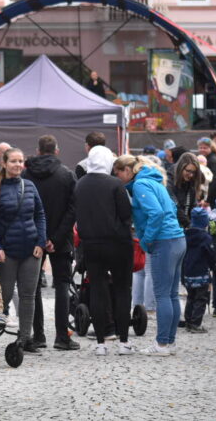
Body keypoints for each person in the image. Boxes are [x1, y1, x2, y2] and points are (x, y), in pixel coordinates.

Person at [114, 155, 185, 357]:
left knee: (162, 295)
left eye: (117, 173)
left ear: (128, 171)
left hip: (164, 241)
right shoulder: (155, 181)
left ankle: (161, 344)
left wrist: (146, 240)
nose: (116, 177)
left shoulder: (141, 185)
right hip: (177, 239)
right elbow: (170, 208)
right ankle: (169, 342)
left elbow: (157, 213)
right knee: (171, 294)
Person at [0, 148, 47, 353]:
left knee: (28, 296)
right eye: (14, 161)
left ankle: (25, 339)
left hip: (31, 250)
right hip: (7, 251)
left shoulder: (29, 186)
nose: (18, 165)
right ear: (4, 163)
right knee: (4, 296)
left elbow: (40, 214)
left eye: (21, 161)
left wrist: (41, 242)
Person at [75, 145, 135, 355]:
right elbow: (126, 214)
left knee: (98, 291)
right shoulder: (115, 184)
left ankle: (102, 342)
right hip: (118, 243)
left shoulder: (80, 185)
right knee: (122, 289)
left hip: (91, 244)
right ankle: (124, 340)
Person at [22, 135, 79, 351]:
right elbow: (73, 209)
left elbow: (26, 208)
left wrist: (41, 236)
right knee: (62, 285)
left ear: (38, 151)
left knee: (33, 287)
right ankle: (62, 336)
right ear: (56, 151)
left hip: (33, 236)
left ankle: (38, 335)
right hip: (60, 238)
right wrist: (54, 237)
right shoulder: (67, 174)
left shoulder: (26, 174)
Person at [182, 208, 215, 334]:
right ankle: (196, 324)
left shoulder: (185, 235)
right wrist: (212, 266)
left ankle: (188, 321)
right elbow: (210, 254)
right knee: (201, 298)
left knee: (191, 297)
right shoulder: (206, 238)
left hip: (188, 271)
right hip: (201, 272)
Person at [168, 153, 204, 228]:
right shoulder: (169, 181)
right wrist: (189, 224)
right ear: (181, 168)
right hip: (171, 227)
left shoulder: (190, 182)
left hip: (184, 226)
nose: (191, 175)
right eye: (188, 171)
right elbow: (174, 206)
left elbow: (193, 206)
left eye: (193, 172)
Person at [198, 137, 216, 207]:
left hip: (213, 198)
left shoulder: (213, 161)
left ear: (210, 148)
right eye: (200, 147)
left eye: (205, 148)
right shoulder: (205, 160)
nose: (202, 149)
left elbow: (215, 181)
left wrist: (208, 200)